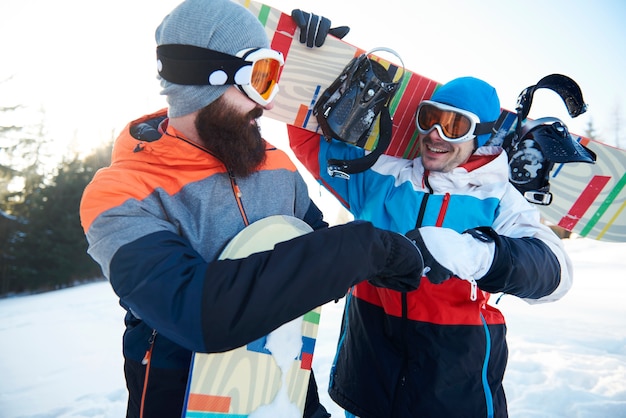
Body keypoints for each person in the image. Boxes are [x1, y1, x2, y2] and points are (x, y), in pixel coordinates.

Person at [78, 1, 425, 417]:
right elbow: (200, 314)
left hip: (285, 386)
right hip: (184, 400)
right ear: (205, 77)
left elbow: (315, 253)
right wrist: (364, 249)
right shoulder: (120, 192)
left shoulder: (273, 162)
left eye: (277, 78)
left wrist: (318, 76)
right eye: (262, 78)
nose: (267, 102)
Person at [288, 69, 574, 415]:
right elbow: (308, 140)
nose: (434, 134)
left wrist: (475, 254)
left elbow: (555, 274)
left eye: (454, 126)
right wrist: (310, 62)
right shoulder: (383, 177)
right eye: (428, 119)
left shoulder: (500, 198)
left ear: (481, 136)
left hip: (450, 387)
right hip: (369, 373)